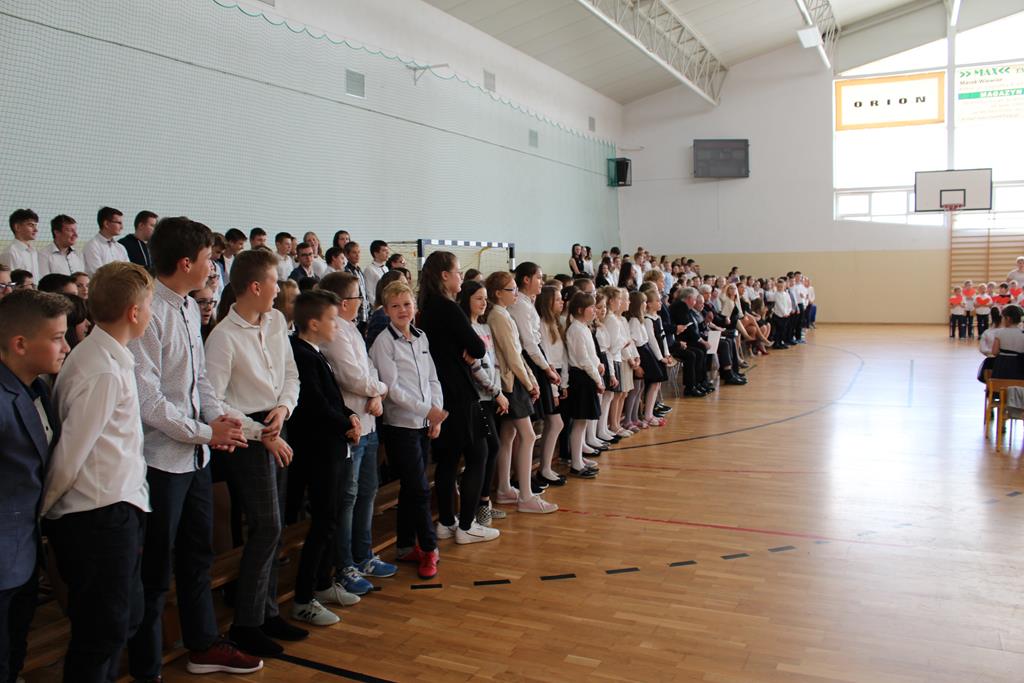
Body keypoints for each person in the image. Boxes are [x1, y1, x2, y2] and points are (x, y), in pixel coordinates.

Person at [125, 217, 260, 679]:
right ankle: (147, 667)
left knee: (197, 557)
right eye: (208, 260)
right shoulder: (150, 312)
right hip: (160, 463)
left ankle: (202, 644)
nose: (213, 269)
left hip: (195, 457)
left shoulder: (186, 306)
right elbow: (149, 402)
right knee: (154, 572)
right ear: (186, 263)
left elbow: (199, 379)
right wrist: (207, 432)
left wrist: (219, 419)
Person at [41, 262, 153, 682]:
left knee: (122, 621)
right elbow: (70, 453)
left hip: (117, 507)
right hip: (96, 515)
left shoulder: (109, 355)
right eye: (149, 306)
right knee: (101, 633)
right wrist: (45, 512)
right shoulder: (101, 368)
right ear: (134, 312)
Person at [205, 249, 303, 656]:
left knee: (275, 528)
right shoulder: (223, 336)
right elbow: (213, 402)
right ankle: (246, 622)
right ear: (255, 286)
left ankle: (266, 611)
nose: (280, 290)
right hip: (247, 437)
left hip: (276, 423)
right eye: (275, 282)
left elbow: (290, 374)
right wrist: (261, 431)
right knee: (265, 527)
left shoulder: (276, 320)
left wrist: (284, 408)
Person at [0, 290, 70, 683]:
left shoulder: (38, 388)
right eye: (57, 338)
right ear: (20, 344)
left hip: (24, 553)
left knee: (14, 652)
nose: (66, 347)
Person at [319, 272, 396, 596]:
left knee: (367, 491)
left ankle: (364, 554)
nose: (361, 302)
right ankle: (345, 564)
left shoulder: (350, 328)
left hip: (369, 419)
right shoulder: (334, 332)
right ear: (342, 302)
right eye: (356, 297)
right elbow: (351, 377)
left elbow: (370, 369)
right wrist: (379, 390)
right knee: (348, 498)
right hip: (351, 425)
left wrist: (377, 392)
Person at [287, 290, 361, 627]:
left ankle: (322, 582)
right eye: (332, 319)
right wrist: (346, 424)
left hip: (332, 447)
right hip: (317, 451)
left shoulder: (314, 353)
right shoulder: (301, 354)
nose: (337, 324)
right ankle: (304, 598)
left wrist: (349, 415)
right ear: (314, 323)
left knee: (330, 519)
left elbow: (332, 398)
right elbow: (314, 404)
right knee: (323, 522)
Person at [416, 252, 498, 545]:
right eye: (458, 272)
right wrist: (469, 348)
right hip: (459, 390)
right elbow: (477, 347)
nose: (461, 277)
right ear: (444, 275)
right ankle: (466, 525)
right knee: (479, 454)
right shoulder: (448, 308)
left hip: (440, 391)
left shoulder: (427, 307)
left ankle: (447, 521)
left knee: (449, 458)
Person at [369, 282, 446, 579]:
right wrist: (427, 411)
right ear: (387, 310)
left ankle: (404, 546)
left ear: (415, 307)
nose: (403, 310)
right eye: (396, 306)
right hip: (400, 425)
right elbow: (392, 389)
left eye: (407, 304)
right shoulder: (383, 343)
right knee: (420, 488)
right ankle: (429, 547)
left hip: (424, 423)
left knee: (412, 488)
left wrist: (435, 414)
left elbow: (432, 379)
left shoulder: (421, 337)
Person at [485, 271, 557, 514]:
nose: (516, 293)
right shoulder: (497, 315)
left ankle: (504, 488)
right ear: (498, 293)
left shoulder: (504, 314)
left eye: (516, 289)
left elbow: (517, 353)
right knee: (527, 435)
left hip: (515, 379)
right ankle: (525, 495)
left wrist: (531, 379)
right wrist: (528, 383)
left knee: (509, 435)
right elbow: (512, 355)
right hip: (510, 382)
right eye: (511, 289)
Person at [458, 280, 510, 527]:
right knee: (489, 448)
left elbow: (492, 362)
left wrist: (498, 391)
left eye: (485, 298)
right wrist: (495, 391)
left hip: (492, 395)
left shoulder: (484, 326)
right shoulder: (465, 329)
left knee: (493, 449)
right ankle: (481, 504)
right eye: (478, 298)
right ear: (466, 300)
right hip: (478, 397)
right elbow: (475, 367)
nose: (483, 302)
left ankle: (483, 502)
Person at [563, 292, 604, 477]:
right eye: (591, 307)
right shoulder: (576, 329)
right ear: (580, 310)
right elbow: (583, 359)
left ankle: (578, 458)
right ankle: (576, 464)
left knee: (583, 422)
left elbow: (591, 354)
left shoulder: (583, 327)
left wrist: (599, 364)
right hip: (581, 378)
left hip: (587, 376)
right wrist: (598, 379)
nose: (595, 310)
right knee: (579, 422)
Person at [535, 285, 568, 488]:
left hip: (556, 376)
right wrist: (554, 389)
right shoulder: (542, 324)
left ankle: (545, 467)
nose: (562, 302)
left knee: (556, 423)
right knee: (555, 423)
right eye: (557, 299)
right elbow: (546, 358)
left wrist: (563, 382)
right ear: (547, 303)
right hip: (548, 377)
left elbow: (561, 357)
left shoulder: (555, 323)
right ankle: (544, 469)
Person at [83, 207, 130, 274]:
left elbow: (128, 272)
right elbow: (98, 274)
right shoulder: (92, 246)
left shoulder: (120, 247)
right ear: (106, 224)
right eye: (119, 223)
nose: (122, 227)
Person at [1, 209, 41, 276]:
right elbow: (9, 280)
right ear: (17, 227)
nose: (36, 230)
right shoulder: (10, 252)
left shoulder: (33, 251)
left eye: (35, 225)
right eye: (31, 225)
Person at [990, 305, 1024, 379]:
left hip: (1002, 364)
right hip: (1020, 364)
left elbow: (994, 352)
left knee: (1001, 383)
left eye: (1002, 317)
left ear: (1007, 318)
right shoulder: (1022, 333)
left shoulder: (999, 332)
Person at [343, 241, 368, 327]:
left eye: (358, 252)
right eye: (354, 252)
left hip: (365, 314)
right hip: (356, 316)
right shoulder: (347, 272)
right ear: (347, 255)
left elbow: (364, 292)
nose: (357, 255)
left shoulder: (360, 271)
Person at [363, 240, 390, 308]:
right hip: (378, 306)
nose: (387, 253)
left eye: (387, 250)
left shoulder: (386, 268)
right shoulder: (369, 269)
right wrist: (377, 307)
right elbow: (369, 292)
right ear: (376, 254)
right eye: (384, 250)